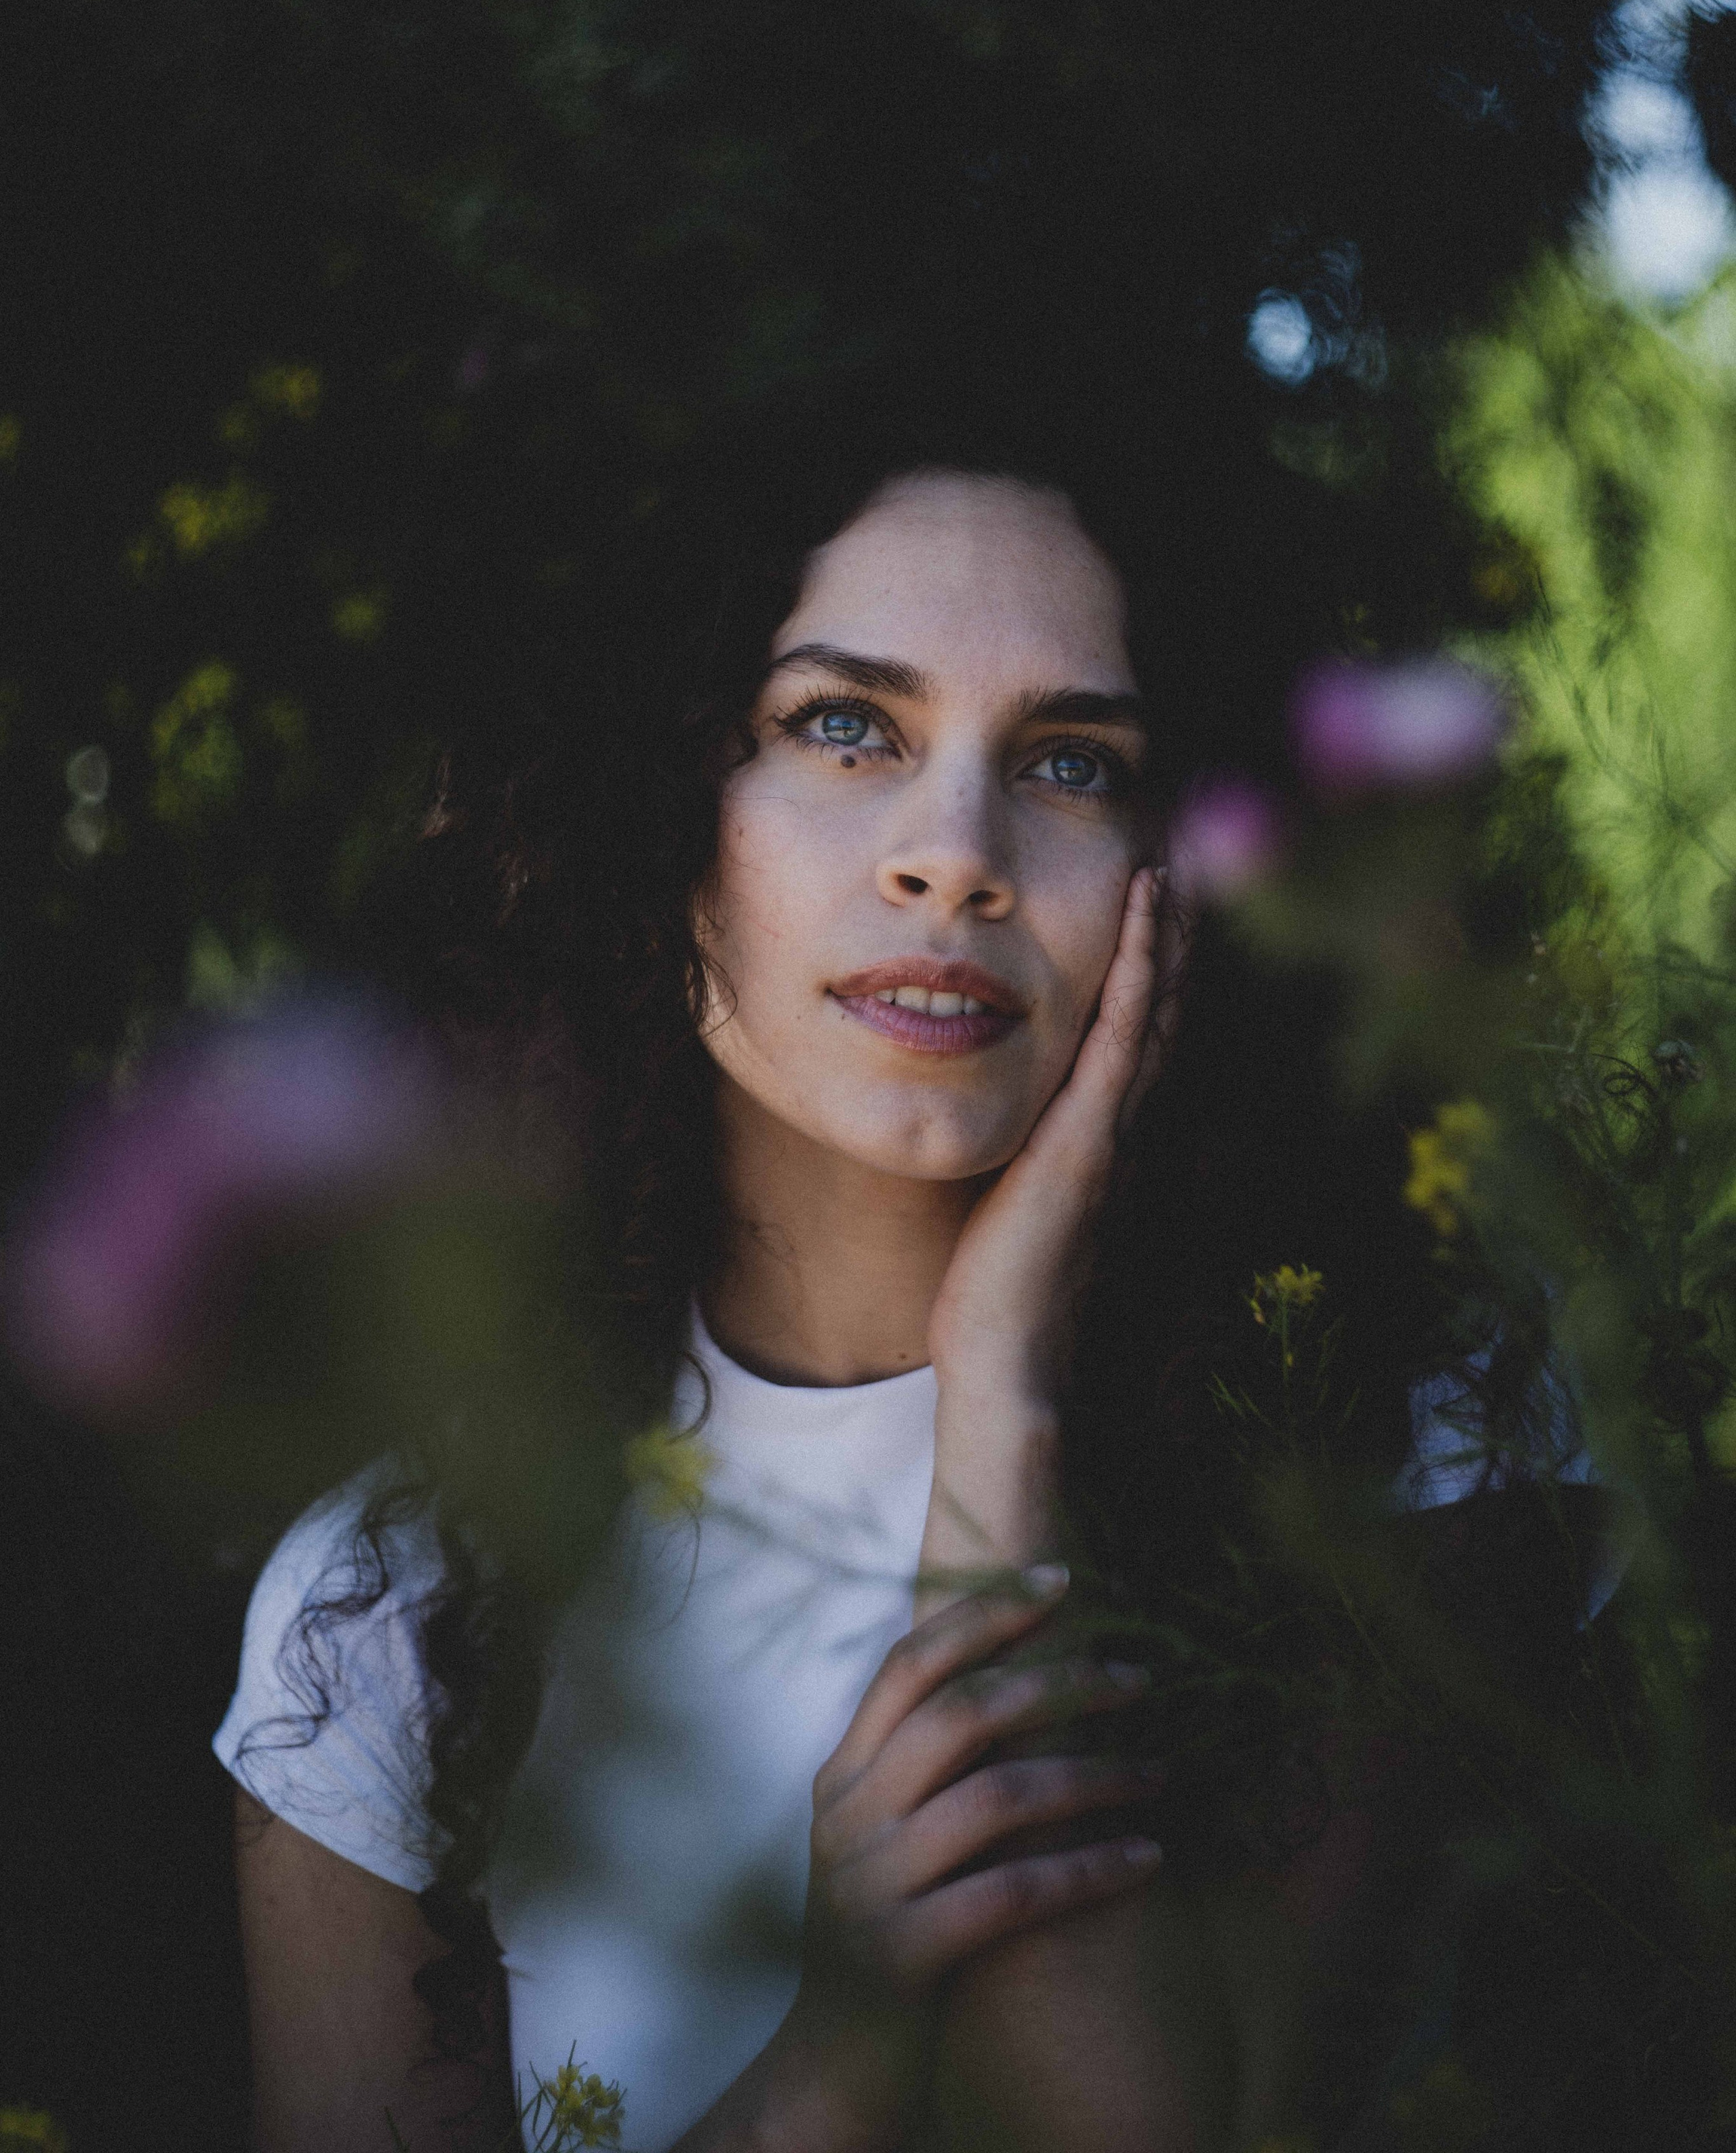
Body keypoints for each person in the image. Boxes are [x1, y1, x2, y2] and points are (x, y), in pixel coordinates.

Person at [215, 402, 1585, 2150]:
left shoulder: (1405, 1428)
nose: (957, 855)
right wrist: (840, 2042)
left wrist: (999, 1400)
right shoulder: (392, 1614)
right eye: (846, 728)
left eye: (1073, 760)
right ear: (673, 818)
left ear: (1181, 867)